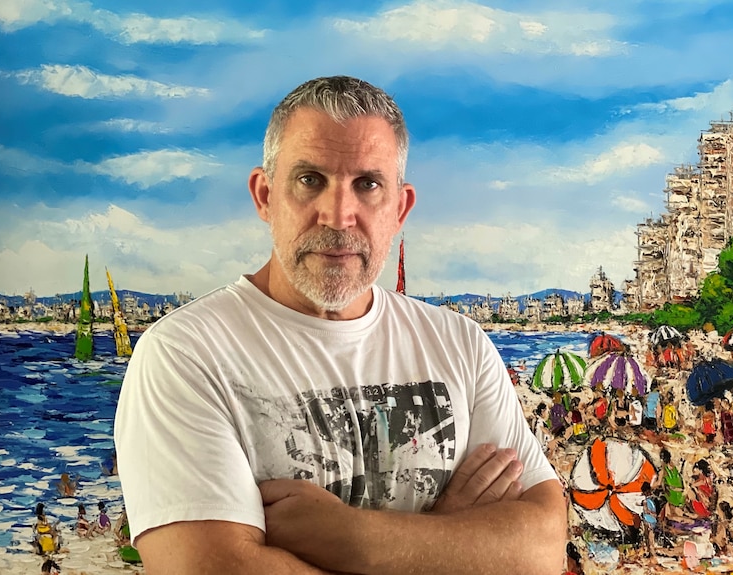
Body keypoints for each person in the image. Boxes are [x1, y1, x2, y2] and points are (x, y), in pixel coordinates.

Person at [114, 75, 566, 574]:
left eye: (368, 184)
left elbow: (539, 552)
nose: (338, 214)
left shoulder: (460, 344)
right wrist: (450, 533)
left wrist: (348, 537)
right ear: (265, 196)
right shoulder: (185, 354)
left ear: (399, 208)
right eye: (310, 180)